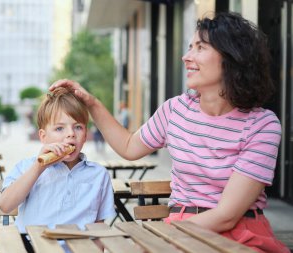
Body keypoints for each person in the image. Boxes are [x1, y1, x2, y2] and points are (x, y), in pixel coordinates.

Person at [50, 12, 289, 253]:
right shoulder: (176, 110)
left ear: (232, 57)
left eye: (200, 48)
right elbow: (129, 146)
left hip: (241, 235)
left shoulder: (262, 125)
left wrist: (156, 234)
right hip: (180, 231)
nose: (186, 57)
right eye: (189, 47)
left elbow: (227, 216)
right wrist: (91, 103)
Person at [0, 87, 115, 252]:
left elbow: (98, 230)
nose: (70, 134)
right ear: (43, 137)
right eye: (60, 128)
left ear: (85, 133)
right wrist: (39, 167)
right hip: (33, 247)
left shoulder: (98, 175)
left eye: (78, 127)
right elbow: (5, 205)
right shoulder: (27, 167)